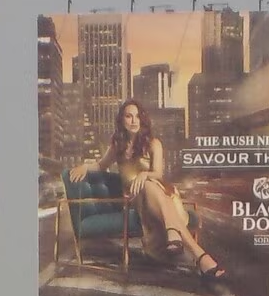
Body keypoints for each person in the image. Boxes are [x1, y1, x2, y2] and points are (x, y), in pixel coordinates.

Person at [68, 99, 226, 280]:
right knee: (147, 186)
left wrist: (144, 175)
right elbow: (101, 165)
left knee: (149, 183)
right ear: (122, 121)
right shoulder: (117, 146)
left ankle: (196, 253)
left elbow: (157, 173)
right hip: (135, 197)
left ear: (143, 120)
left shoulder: (153, 143)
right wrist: (84, 167)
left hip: (160, 192)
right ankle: (182, 240)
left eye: (137, 116)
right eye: (129, 116)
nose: (134, 120)